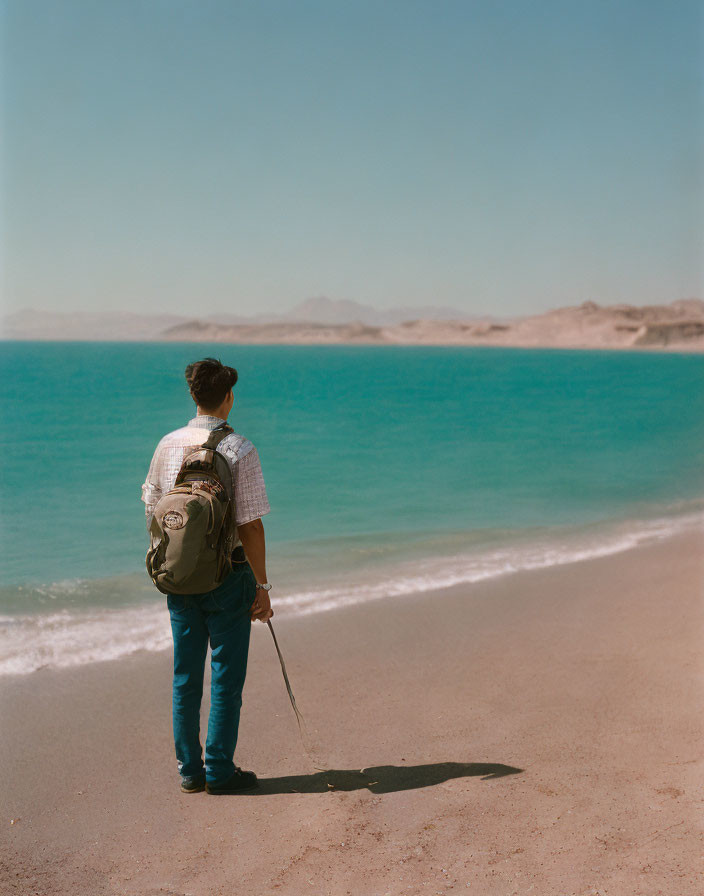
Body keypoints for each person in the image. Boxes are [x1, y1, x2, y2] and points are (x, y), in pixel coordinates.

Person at [141, 357, 273, 795]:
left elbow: (154, 513)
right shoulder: (240, 449)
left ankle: (190, 772)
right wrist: (264, 587)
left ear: (193, 396)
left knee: (185, 677)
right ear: (229, 398)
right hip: (228, 577)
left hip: (179, 579)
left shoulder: (168, 444)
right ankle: (219, 771)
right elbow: (250, 525)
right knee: (226, 677)